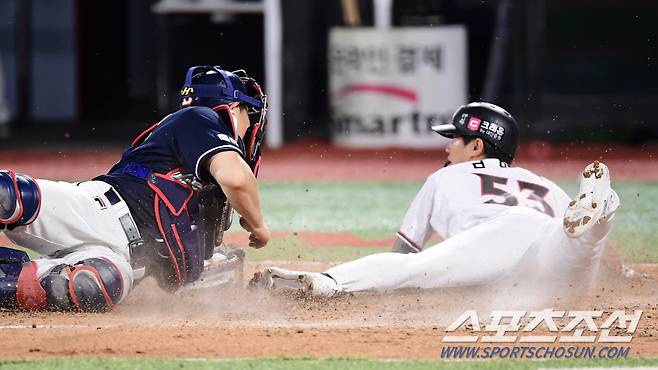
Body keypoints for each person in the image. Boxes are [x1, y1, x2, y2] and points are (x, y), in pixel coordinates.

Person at [255, 102, 619, 297]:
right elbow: (610, 267)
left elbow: (403, 255)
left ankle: (324, 284)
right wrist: (621, 273)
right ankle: (603, 213)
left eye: (455, 139)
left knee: (413, 270)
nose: (447, 146)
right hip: (551, 253)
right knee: (574, 248)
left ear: (476, 145)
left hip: (500, 238)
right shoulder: (540, 182)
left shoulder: (446, 176)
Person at [0, 65, 270, 311]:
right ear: (233, 108)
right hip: (100, 212)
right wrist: (258, 225)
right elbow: (236, 178)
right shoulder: (198, 118)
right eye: (249, 113)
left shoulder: (209, 195)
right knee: (10, 195)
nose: (251, 127)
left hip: (126, 260)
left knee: (90, 287)